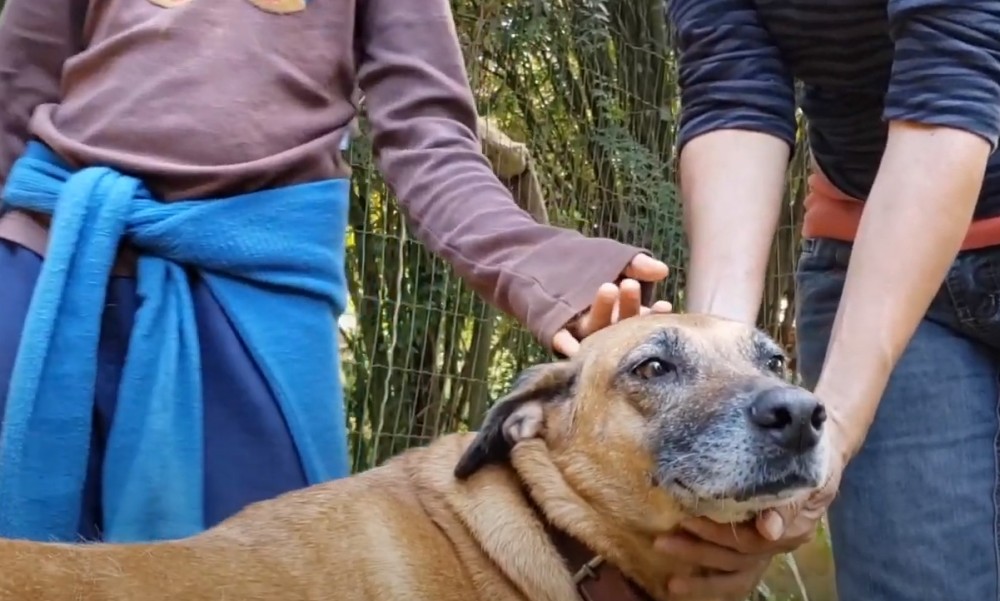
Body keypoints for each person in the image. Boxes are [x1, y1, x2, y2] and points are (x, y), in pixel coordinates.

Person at [0, 0, 671, 543]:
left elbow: (428, 134)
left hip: (257, 304)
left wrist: (545, 267)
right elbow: (16, 88)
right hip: (47, 269)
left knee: (273, 565)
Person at [653, 1, 1000, 600]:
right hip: (861, 239)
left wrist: (835, 425)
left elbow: (953, 74)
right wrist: (719, 379)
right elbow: (733, 91)